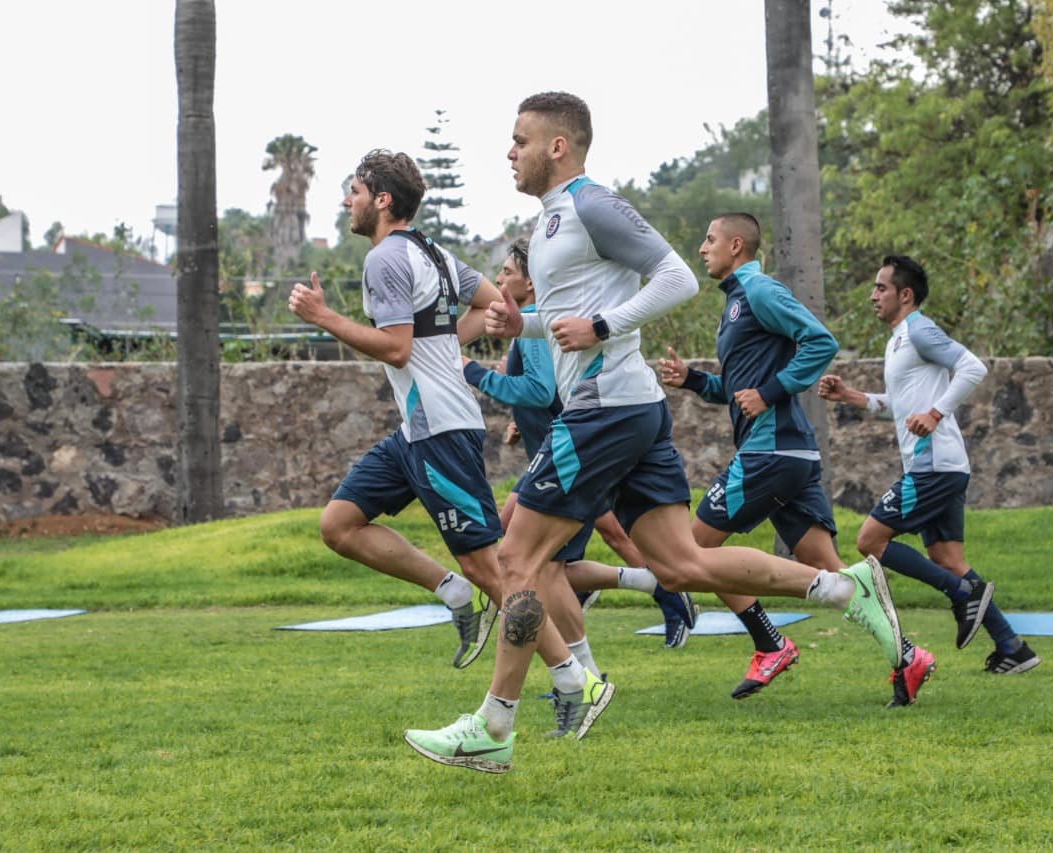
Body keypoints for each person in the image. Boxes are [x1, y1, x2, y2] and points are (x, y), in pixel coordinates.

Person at [404, 92, 904, 774]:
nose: (509, 151)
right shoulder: (551, 223)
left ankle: (495, 724)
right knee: (681, 565)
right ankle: (843, 587)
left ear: (559, 145)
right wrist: (517, 325)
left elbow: (675, 277)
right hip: (629, 408)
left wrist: (605, 329)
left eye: (520, 139)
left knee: (516, 562)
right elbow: (573, 315)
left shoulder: (592, 203)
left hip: (604, 411)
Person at [286, 149, 582, 690]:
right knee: (340, 524)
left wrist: (323, 317)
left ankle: (574, 679)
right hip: (416, 429)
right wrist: (443, 349)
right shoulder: (432, 252)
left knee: (493, 571)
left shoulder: (384, 259)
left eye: (353, 191)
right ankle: (449, 590)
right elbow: (494, 304)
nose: (346, 202)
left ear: (382, 200)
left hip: (442, 427)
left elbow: (397, 350)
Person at [657, 213, 935, 706]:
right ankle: (907, 656)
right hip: (789, 455)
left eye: (709, 238)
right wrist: (693, 380)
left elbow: (820, 341)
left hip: (771, 452)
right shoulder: (736, 304)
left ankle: (769, 642)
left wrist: (768, 392)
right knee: (835, 576)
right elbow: (738, 388)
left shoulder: (760, 291)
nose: (702, 248)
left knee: (691, 553)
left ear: (736, 245)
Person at [462, 237, 698, 655]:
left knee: (578, 551)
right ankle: (651, 588)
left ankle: (589, 665)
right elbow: (551, 386)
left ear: (532, 283)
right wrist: (521, 418)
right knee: (537, 551)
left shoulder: (535, 320)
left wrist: (474, 373)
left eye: (508, 273)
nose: (498, 280)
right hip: (555, 445)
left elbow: (538, 389)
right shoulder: (529, 325)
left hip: (576, 445)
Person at [817, 254, 1041, 680]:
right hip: (945, 466)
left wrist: (937, 413)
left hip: (933, 467)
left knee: (870, 541)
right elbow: (899, 409)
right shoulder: (899, 339)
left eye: (881, 288)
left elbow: (973, 367)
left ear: (905, 294)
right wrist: (851, 397)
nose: (872, 296)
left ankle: (960, 596)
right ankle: (1013, 646)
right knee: (947, 557)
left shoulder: (919, 328)